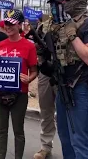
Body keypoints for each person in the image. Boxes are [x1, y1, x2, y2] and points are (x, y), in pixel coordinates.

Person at [47, 0, 88, 158]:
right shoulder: (64, 23)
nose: (63, 3)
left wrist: (72, 35)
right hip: (63, 86)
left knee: (80, 140)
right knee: (65, 137)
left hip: (82, 89)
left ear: (78, 0)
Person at [0, 9, 37, 159]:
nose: (8, 27)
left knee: (18, 131)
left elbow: (34, 70)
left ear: (19, 25)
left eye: (12, 24)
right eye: (6, 24)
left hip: (20, 93)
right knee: (2, 130)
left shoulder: (29, 46)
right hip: (0, 93)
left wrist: (29, 79)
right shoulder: (0, 45)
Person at [33, 17, 58, 159]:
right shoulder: (43, 26)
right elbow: (36, 46)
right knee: (46, 110)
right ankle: (45, 146)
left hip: (64, 74)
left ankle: (73, 148)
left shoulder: (73, 25)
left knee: (66, 113)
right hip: (45, 72)